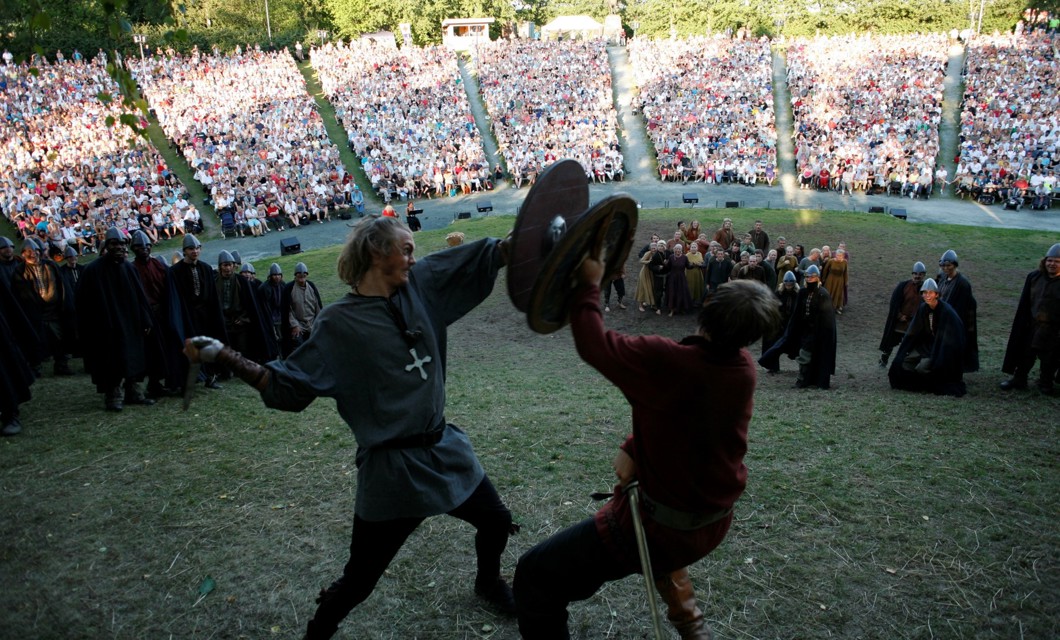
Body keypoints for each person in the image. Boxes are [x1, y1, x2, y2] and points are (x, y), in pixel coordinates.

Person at [183, 216, 517, 639]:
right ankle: (318, 631)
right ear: (378, 254)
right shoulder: (338, 325)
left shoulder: (420, 287)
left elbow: (486, 257)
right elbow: (288, 386)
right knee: (360, 579)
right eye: (406, 249)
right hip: (393, 472)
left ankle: (488, 582)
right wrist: (226, 356)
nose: (414, 258)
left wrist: (525, 240)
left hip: (444, 450)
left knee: (495, 519)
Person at [513, 275, 780, 640]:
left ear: (706, 308)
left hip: (660, 530)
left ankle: (680, 599)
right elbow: (683, 419)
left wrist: (588, 282)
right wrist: (634, 446)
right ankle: (689, 617)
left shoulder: (669, 362)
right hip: (710, 523)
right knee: (657, 543)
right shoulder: (743, 370)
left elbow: (594, 344)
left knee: (535, 575)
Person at [75, 228, 157, 411]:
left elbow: (140, 297)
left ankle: (133, 391)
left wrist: (146, 320)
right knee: (110, 361)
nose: (119, 247)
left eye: (122, 243)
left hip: (130, 325)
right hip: (106, 326)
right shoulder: (92, 271)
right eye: (114, 244)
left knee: (133, 358)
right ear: (107, 245)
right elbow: (83, 303)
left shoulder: (129, 268)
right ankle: (113, 395)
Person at [758, 264, 836, 389]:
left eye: (812, 277)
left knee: (816, 356)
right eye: (807, 277)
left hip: (818, 332)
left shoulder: (823, 294)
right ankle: (802, 380)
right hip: (805, 331)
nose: (809, 279)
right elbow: (797, 314)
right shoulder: (803, 293)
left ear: (817, 278)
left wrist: (820, 332)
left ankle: (814, 381)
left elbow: (827, 319)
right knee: (804, 355)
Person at [887, 278, 967, 397]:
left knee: (922, 368)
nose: (927, 295)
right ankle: (917, 385)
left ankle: (927, 385)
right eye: (924, 293)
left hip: (941, 348)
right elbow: (913, 331)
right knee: (903, 363)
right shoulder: (923, 308)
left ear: (937, 294)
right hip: (926, 346)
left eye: (930, 293)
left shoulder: (947, 312)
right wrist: (903, 351)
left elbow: (953, 337)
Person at [129, 230, 185, 398]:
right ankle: (153, 384)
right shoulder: (131, 269)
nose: (143, 249)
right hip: (145, 317)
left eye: (146, 246)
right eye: (139, 247)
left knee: (168, 349)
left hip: (162, 314)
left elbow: (168, 291)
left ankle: (168, 382)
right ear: (134, 249)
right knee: (151, 353)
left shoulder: (159, 266)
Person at [1000, 243, 1060, 394]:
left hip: (1053, 328)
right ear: (1044, 261)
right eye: (1050, 260)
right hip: (1032, 325)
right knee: (1025, 353)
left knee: (1049, 358)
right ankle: (1020, 379)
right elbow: (1026, 303)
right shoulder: (1034, 277)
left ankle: (1046, 383)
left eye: (1057, 261)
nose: (1052, 264)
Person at [170, 234, 227, 389]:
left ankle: (210, 377)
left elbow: (212, 295)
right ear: (184, 251)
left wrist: (215, 315)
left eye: (197, 248)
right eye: (190, 249)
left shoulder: (206, 268)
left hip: (205, 315)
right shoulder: (175, 271)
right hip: (187, 315)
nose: (194, 251)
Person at [10, 239, 74, 376]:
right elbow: (21, 293)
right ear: (23, 254)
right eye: (29, 252)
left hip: (54, 312)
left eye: (36, 251)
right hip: (34, 314)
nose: (34, 254)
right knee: (35, 341)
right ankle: (35, 367)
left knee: (59, 339)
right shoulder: (19, 271)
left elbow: (61, 286)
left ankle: (61, 365)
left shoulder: (51, 265)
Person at [215, 250, 275, 369]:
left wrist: (244, 318)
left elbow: (251, 305)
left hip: (240, 320)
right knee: (226, 347)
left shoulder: (241, 281)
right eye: (225, 265)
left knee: (243, 347)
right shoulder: (214, 281)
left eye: (230, 265)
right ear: (220, 266)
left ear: (234, 266)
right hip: (223, 320)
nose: (228, 268)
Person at [936, 249, 979, 372]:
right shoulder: (943, 279)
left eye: (948, 265)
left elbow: (964, 307)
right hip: (942, 319)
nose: (945, 268)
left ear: (955, 265)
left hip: (954, 322)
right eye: (943, 265)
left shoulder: (962, 283)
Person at [879, 262, 927, 367]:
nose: (917, 276)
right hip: (900, 322)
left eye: (920, 274)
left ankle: (905, 364)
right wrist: (899, 316)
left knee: (910, 346)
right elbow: (894, 303)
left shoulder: (926, 289)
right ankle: (884, 360)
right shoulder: (903, 286)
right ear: (912, 274)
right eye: (915, 273)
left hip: (914, 324)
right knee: (890, 342)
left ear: (924, 275)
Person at [281, 262, 323, 356]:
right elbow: (288, 310)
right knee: (298, 348)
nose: (302, 277)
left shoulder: (311, 286)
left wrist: (318, 322)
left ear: (307, 275)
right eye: (299, 275)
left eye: (304, 275)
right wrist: (295, 325)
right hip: (298, 325)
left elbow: (317, 306)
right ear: (295, 275)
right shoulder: (289, 288)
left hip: (312, 323)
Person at [259, 263, 285, 344]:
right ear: (270, 276)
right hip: (270, 316)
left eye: (278, 275)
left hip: (281, 315)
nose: (277, 277)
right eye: (274, 275)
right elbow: (263, 305)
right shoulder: (264, 288)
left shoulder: (283, 285)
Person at [821, 248, 849, 314]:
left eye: (840, 256)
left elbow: (845, 272)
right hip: (831, 279)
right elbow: (825, 269)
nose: (839, 257)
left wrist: (846, 281)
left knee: (837, 293)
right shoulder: (831, 261)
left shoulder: (845, 262)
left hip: (839, 280)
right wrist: (824, 278)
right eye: (838, 255)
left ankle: (836, 307)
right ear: (835, 255)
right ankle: (825, 307)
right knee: (828, 292)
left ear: (843, 256)